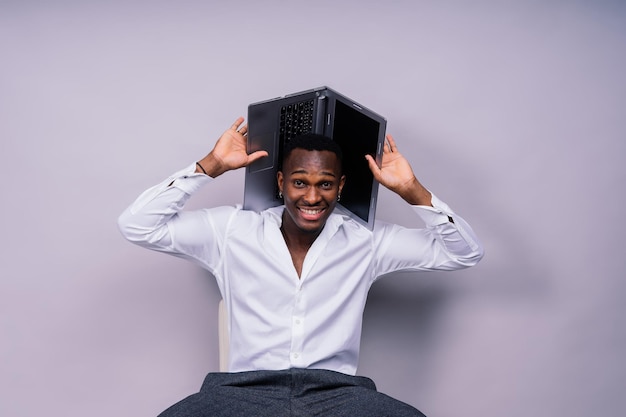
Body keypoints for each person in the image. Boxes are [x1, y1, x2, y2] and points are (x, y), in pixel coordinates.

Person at [118, 116, 484, 416]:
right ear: (281, 182)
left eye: (325, 184)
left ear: (340, 186)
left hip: (337, 395)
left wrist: (412, 190)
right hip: (244, 393)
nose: (312, 197)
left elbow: (464, 253)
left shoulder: (367, 241)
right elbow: (137, 224)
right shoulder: (232, 230)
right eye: (299, 182)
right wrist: (210, 166)